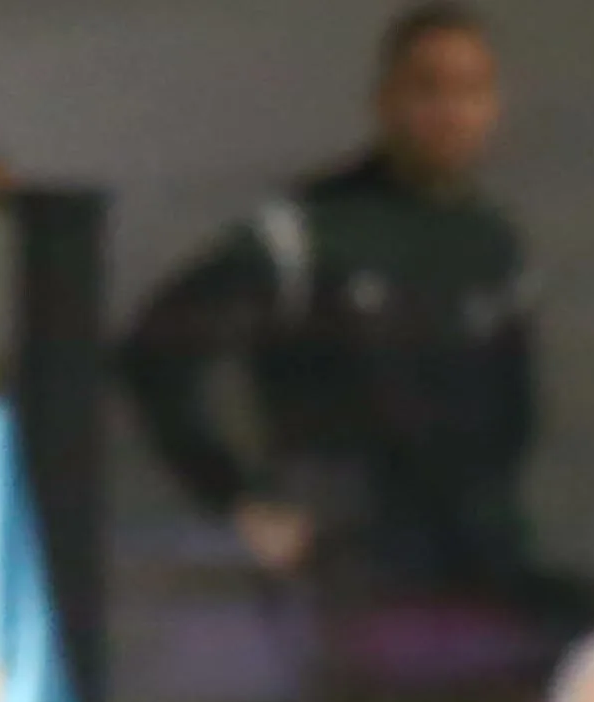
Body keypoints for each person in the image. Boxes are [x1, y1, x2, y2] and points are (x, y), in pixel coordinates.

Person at [119, 5, 535, 600]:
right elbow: (154, 353)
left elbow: (513, 410)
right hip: (343, 570)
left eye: (472, 90)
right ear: (385, 100)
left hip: (472, 565)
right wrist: (240, 499)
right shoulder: (311, 232)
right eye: (428, 88)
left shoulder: (494, 246)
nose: (451, 112)